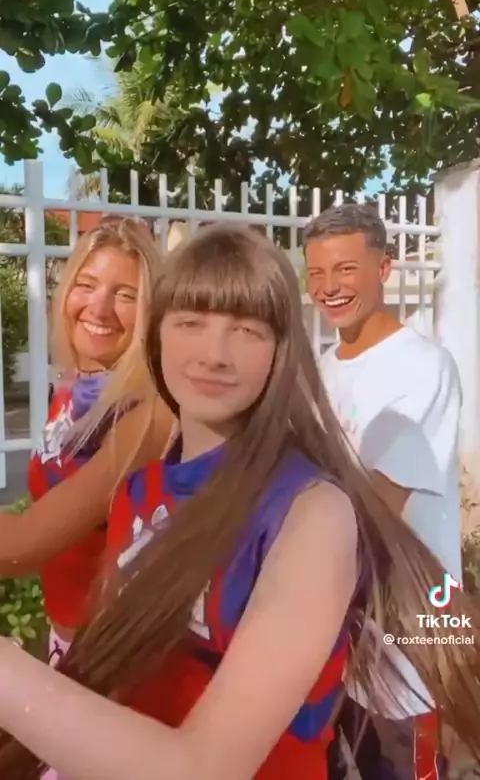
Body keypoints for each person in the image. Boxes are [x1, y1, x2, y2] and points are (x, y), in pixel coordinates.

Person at [0, 223, 477, 780]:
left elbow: (205, 767)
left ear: (281, 351)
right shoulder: (138, 493)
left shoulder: (312, 514)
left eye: (247, 329)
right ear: (156, 336)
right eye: (190, 322)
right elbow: (104, 674)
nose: (215, 354)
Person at [303, 203, 462, 780]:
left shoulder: (424, 366)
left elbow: (377, 504)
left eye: (345, 269)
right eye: (316, 273)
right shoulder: (323, 366)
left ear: (384, 268)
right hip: (342, 622)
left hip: (410, 626)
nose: (329, 287)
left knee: (405, 764)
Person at [0, 217, 173, 666]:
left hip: (114, 657)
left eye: (126, 295)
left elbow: (23, 545)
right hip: (67, 634)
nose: (99, 307)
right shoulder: (77, 387)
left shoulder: (147, 413)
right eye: (87, 284)